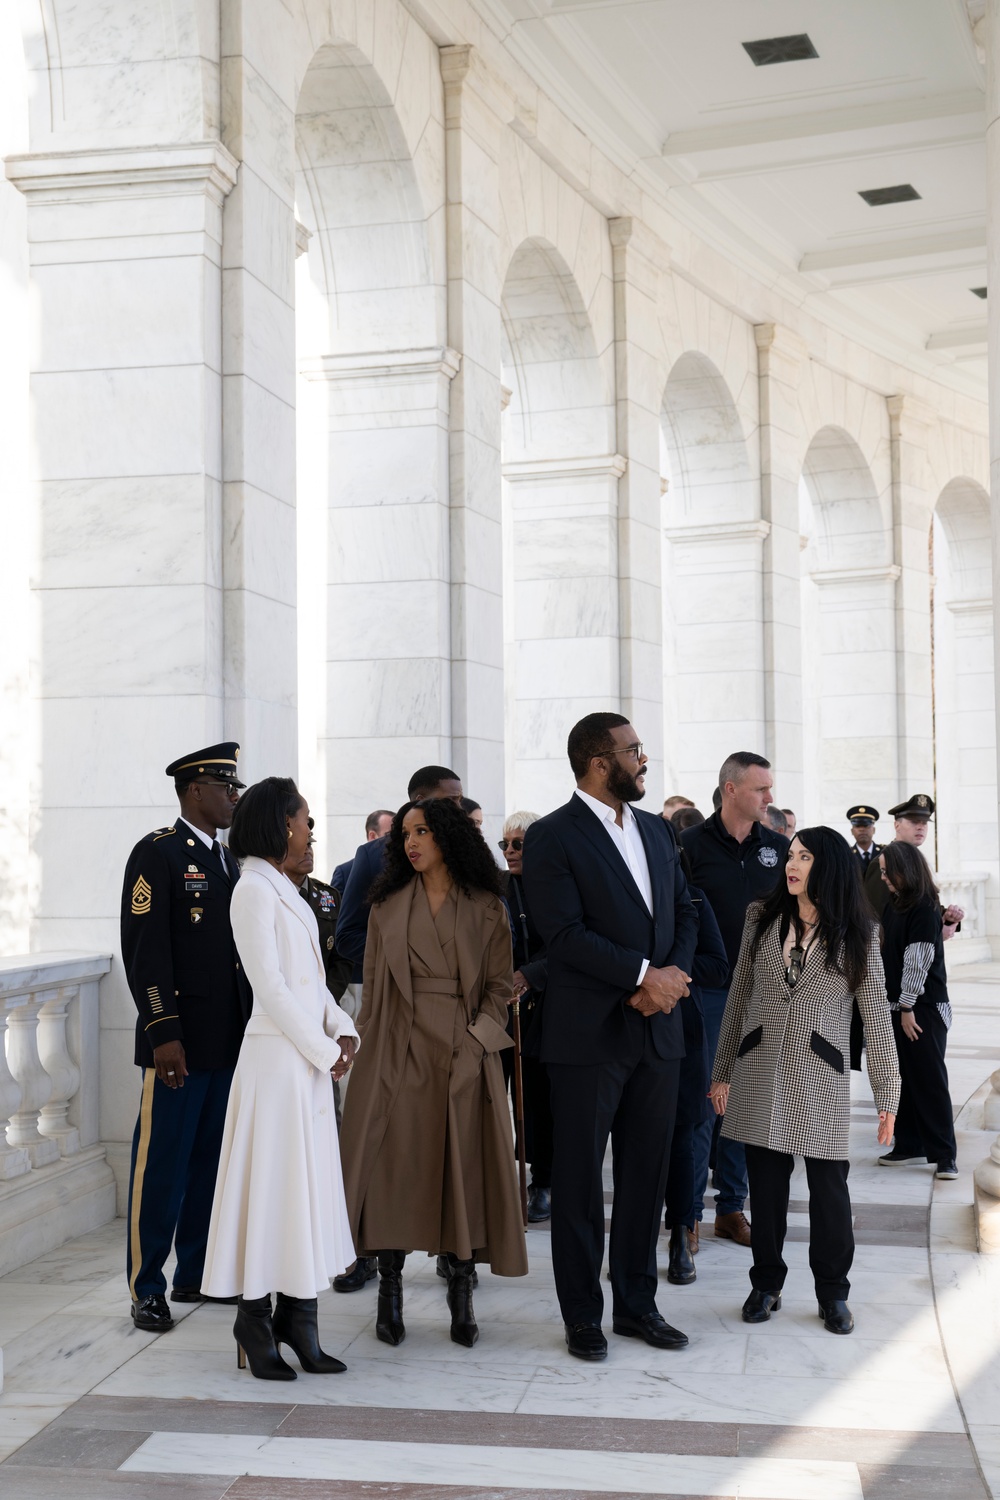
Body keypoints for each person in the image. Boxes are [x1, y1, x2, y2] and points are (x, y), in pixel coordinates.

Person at [523, 712, 698, 1362]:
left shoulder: (655, 830)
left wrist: (670, 978)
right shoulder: (551, 836)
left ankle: (636, 1305)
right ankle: (583, 1318)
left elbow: (685, 907)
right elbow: (562, 936)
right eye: (633, 750)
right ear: (599, 761)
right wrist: (639, 976)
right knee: (576, 1182)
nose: (643, 759)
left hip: (658, 1031)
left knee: (645, 1175)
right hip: (589, 1034)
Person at [340, 798, 527, 1350]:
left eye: (422, 832)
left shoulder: (487, 905)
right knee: (393, 1172)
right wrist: (362, 1055)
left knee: (461, 1170)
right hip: (396, 1051)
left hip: (465, 1052)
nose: (410, 843)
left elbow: (499, 989)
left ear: (447, 836)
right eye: (404, 834)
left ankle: (462, 1293)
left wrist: (478, 1046)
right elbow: (372, 994)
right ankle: (390, 1289)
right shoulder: (385, 906)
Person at [710, 828, 899, 1336]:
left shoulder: (860, 931)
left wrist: (888, 1094)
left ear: (828, 866)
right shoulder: (761, 917)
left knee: (829, 1193)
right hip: (760, 1066)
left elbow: (876, 1016)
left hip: (821, 1074)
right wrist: (723, 1068)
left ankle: (833, 1293)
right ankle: (765, 1284)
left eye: (804, 857)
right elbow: (739, 996)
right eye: (790, 856)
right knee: (765, 1190)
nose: (791, 865)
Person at [201, 778, 359, 1380]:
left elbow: (312, 981)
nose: (311, 831)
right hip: (275, 1063)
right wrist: (325, 1049)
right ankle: (254, 1318)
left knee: (305, 1191)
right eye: (305, 820)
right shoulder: (252, 889)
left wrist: (342, 1027)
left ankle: (300, 1316)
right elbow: (269, 987)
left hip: (304, 1062)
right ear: (279, 825)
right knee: (272, 1191)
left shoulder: (285, 889)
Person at [120, 743, 252, 1333]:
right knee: (161, 1166)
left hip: (226, 1043)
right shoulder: (157, 854)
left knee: (209, 1164)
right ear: (194, 791)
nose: (234, 798)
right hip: (178, 1046)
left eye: (236, 788)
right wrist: (162, 1032)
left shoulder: (230, 861)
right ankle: (146, 1286)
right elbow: (145, 955)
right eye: (226, 788)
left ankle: (195, 1272)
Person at [680, 752, 788, 1249]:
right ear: (730, 790)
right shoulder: (688, 847)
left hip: (762, 994)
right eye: (761, 789)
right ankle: (687, 1215)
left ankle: (731, 1208)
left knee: (742, 1105)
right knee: (704, 1104)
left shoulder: (778, 847)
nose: (769, 798)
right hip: (705, 992)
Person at [663, 858, 729, 1284]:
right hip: (628, 1029)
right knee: (637, 1142)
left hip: (682, 1031)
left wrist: (671, 973)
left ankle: (681, 1235)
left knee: (685, 1138)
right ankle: (629, 1242)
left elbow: (718, 966)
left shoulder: (693, 899)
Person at [877, 842, 958, 1179]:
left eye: (887, 871)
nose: (883, 878)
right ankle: (910, 1145)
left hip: (921, 1009)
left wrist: (907, 1006)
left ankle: (945, 1156)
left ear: (905, 870)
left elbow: (918, 961)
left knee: (928, 1080)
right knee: (905, 1080)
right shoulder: (896, 904)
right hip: (902, 1006)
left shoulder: (924, 907)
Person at [335, 767, 464, 968]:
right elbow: (347, 937)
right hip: (398, 990)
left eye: (459, 800)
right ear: (419, 799)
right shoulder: (373, 856)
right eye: (450, 800)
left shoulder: (470, 853)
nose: (459, 809)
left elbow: (497, 924)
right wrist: (411, 959)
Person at [500, 811, 552, 1223]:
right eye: (505, 845)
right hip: (498, 1008)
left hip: (543, 1008)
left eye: (519, 844)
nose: (511, 851)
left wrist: (531, 975)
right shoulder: (495, 889)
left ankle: (543, 1180)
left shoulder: (556, 887)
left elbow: (570, 943)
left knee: (538, 1101)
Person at [863, 795, 964, 935]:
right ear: (896, 825)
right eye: (914, 822)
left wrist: (946, 916)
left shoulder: (916, 859)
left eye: (924, 822)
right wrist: (936, 934)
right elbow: (879, 918)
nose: (920, 827)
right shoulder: (883, 862)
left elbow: (919, 904)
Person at [331, 809, 394, 896]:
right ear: (372, 836)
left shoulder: (403, 868)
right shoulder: (345, 872)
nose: (395, 840)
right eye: (389, 835)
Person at [846, 805, 882, 872]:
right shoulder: (846, 855)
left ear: (874, 830)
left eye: (866, 826)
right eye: (857, 826)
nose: (862, 829)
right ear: (852, 831)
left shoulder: (883, 852)